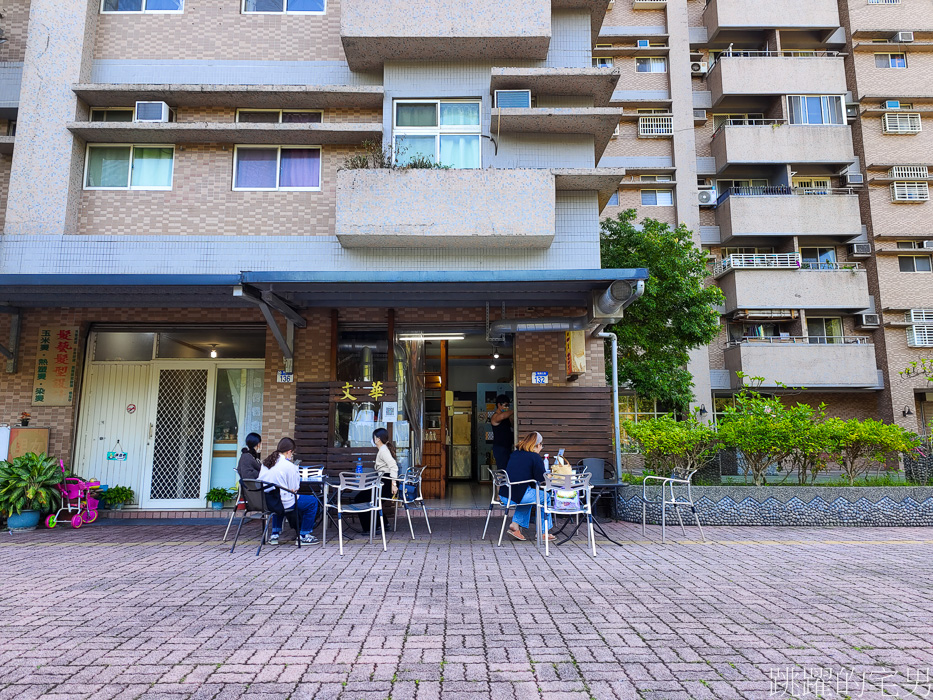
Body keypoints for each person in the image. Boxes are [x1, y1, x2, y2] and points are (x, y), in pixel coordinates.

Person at [260, 437, 319, 545]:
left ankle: (274, 534)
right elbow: (295, 488)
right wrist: (295, 470)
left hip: (267, 502)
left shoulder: (266, 463)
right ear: (289, 452)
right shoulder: (289, 466)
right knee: (312, 501)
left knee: (278, 498)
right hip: (284, 502)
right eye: (292, 453)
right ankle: (304, 535)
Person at [501, 431, 554, 542]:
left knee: (530, 496)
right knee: (546, 496)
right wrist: (548, 475)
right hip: (518, 495)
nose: (541, 448)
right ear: (538, 445)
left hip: (506, 494)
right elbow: (541, 478)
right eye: (541, 446)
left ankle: (515, 526)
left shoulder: (515, 453)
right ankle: (544, 532)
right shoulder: (534, 457)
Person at [354, 428, 398, 531]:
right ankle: (383, 524)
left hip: (386, 484)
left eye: (373, 437)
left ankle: (368, 528)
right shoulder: (384, 449)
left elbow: (393, 466)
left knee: (360, 499)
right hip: (384, 483)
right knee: (371, 499)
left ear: (377, 439)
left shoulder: (383, 450)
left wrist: (394, 484)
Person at [490, 394, 514, 472]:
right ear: (499, 405)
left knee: (508, 469)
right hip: (500, 447)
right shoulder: (495, 417)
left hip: (508, 447)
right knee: (502, 470)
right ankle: (501, 484)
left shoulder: (507, 418)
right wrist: (515, 410)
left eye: (508, 405)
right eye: (505, 405)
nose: (507, 408)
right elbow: (502, 416)